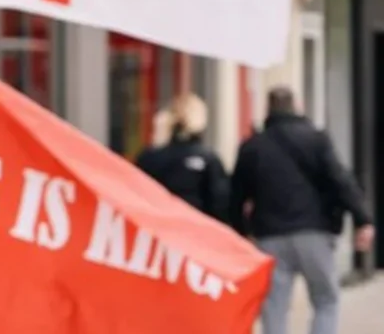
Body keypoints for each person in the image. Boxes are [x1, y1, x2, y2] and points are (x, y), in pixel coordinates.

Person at [230, 86, 375, 334]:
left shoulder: (252, 146)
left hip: (270, 235)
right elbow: (340, 181)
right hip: (315, 232)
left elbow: (236, 195)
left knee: (274, 306)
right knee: (325, 300)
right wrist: (363, 219)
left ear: (267, 109)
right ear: (297, 106)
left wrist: (242, 231)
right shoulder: (316, 139)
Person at [134, 92, 229, 223]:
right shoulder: (208, 159)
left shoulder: (150, 157)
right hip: (195, 227)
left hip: (159, 225)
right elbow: (220, 203)